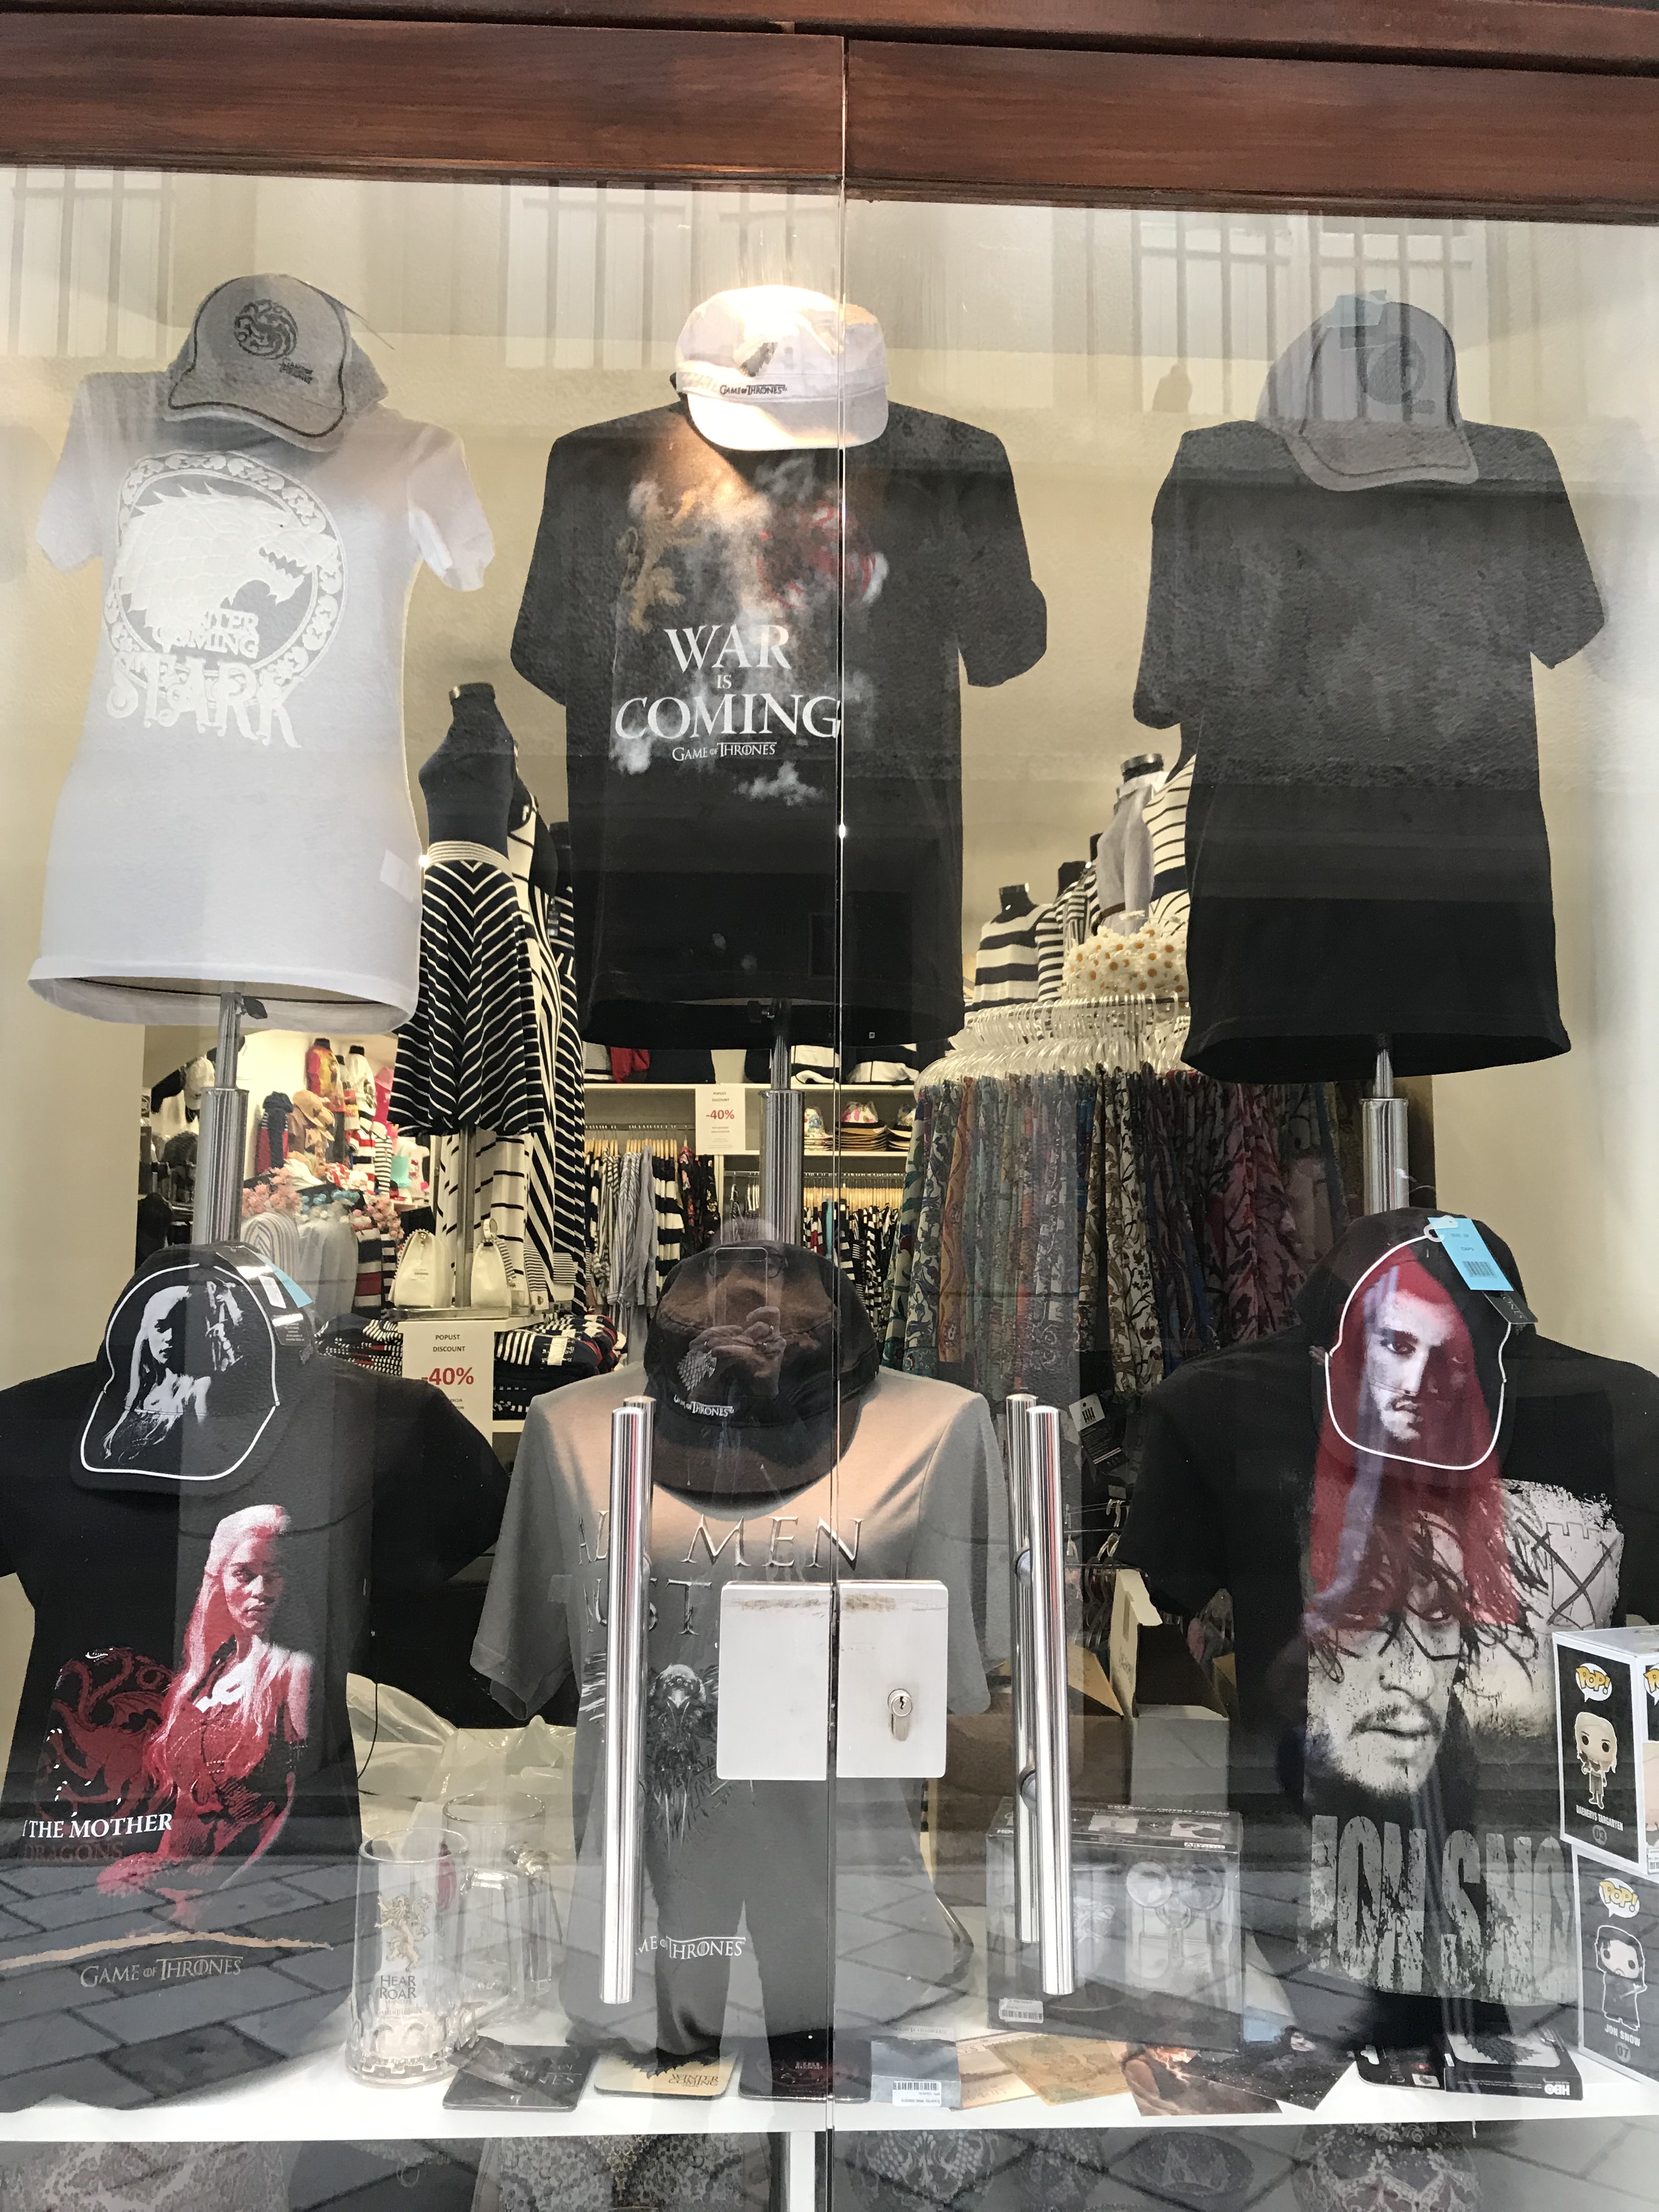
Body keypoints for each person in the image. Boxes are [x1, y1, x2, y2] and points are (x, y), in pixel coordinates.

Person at [99, 1504, 311, 1898]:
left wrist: (215, 1898)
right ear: (220, 1580)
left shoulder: (293, 1671)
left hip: (237, 1889)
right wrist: (155, 1864)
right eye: (244, 1574)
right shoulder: (206, 1675)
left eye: (274, 1575)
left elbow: (299, 1809)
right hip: (172, 1879)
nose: (260, 1591)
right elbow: (184, 1804)